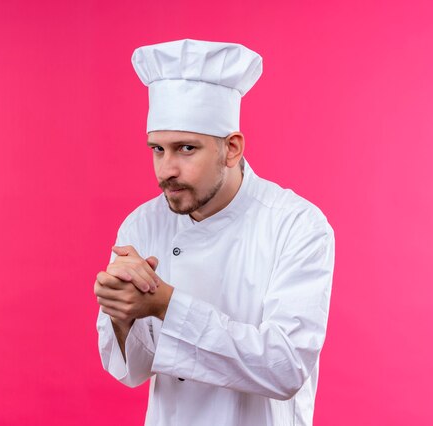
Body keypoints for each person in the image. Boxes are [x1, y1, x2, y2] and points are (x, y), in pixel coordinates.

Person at [94, 39, 335, 426]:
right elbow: (131, 372)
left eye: (185, 148)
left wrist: (165, 305)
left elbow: (286, 366)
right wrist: (122, 315)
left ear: (232, 148)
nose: (165, 170)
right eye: (157, 149)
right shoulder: (142, 224)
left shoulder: (296, 224)